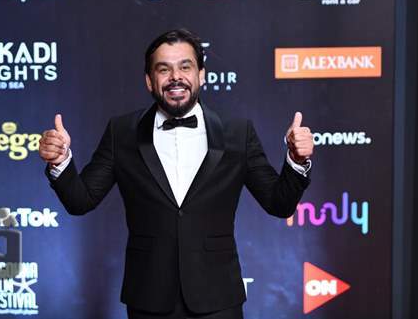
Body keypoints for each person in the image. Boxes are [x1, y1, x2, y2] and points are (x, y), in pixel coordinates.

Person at [38, 29, 314, 319]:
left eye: (185, 66)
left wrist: (296, 161)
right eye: (163, 69)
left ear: (201, 75)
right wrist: (60, 161)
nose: (175, 77)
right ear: (149, 81)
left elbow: (279, 203)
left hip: (219, 298)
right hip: (149, 298)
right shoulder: (122, 132)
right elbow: (81, 200)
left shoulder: (237, 132)